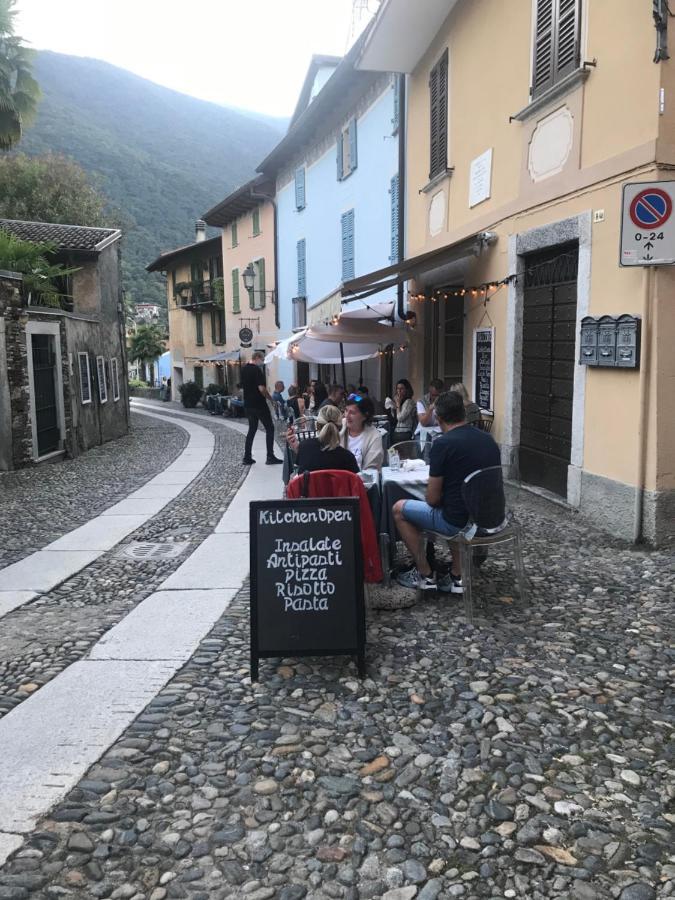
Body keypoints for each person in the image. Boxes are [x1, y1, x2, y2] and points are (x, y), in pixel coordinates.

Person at [393, 390, 501, 594]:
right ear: (463, 412)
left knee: (399, 509)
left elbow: (432, 499)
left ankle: (425, 575)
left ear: (438, 418)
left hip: (458, 523)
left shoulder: (443, 444)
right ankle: (456, 576)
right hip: (490, 519)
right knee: (455, 504)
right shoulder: (489, 440)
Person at [286, 404, 359, 474]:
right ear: (340, 428)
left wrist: (298, 449)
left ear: (317, 425)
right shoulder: (348, 458)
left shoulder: (304, 447)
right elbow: (356, 482)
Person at [241, 351, 283, 466]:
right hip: (259, 404)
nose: (262, 362)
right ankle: (270, 456)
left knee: (252, 429)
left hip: (248, 405)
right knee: (270, 428)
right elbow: (262, 389)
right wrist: (271, 399)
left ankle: (247, 457)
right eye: (262, 359)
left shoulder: (244, 369)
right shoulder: (257, 371)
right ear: (257, 358)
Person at [341, 394, 384, 470]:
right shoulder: (338, 428)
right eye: (346, 410)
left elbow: (372, 468)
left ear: (365, 416)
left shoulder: (374, 436)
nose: (347, 415)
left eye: (352, 413)